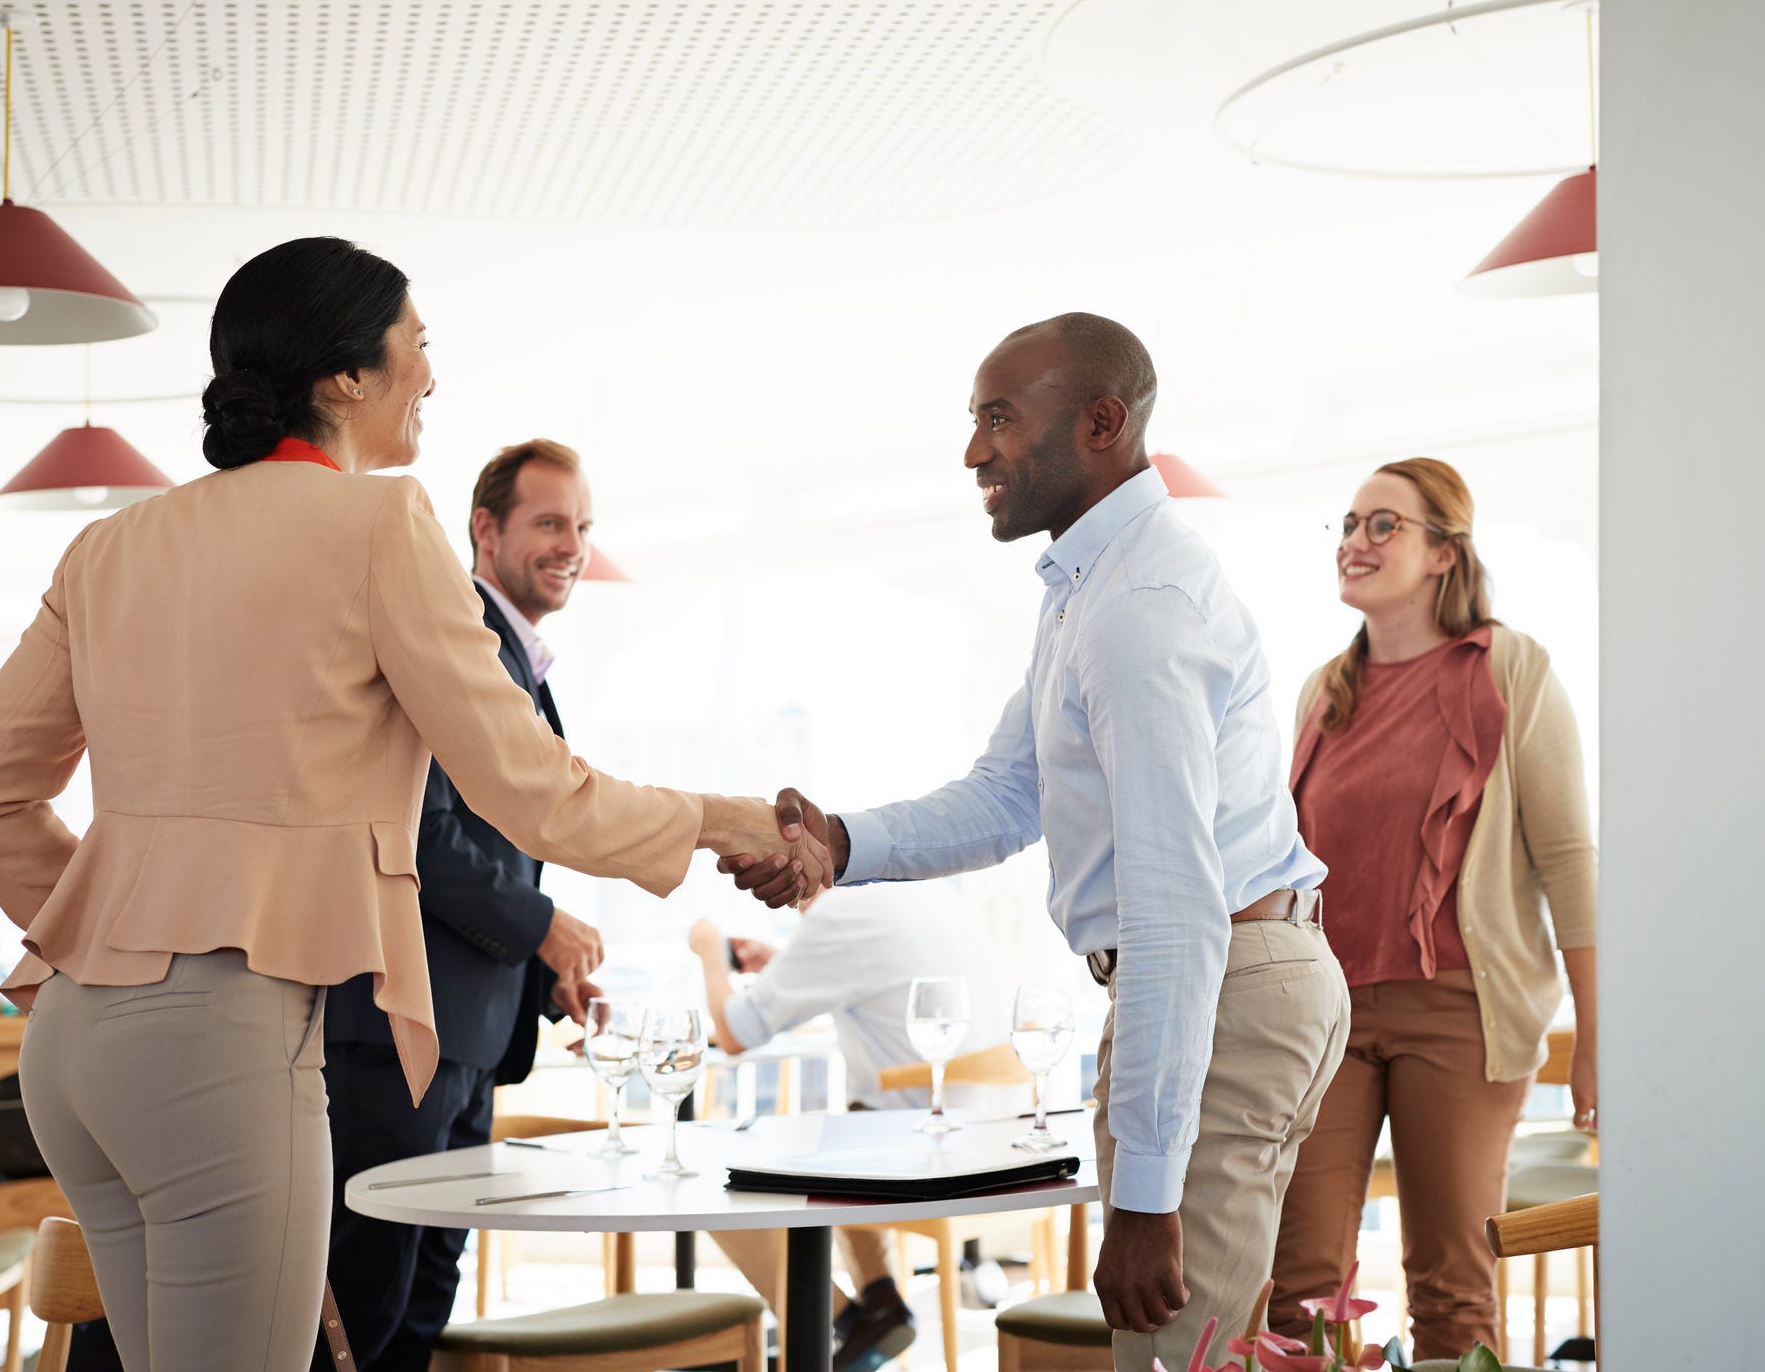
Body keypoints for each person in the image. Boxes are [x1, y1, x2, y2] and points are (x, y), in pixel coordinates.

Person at [0, 236, 829, 1372]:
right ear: (346, 376)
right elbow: (531, 790)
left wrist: (123, 926)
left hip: (69, 1046)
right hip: (222, 1042)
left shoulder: (112, 544)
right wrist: (724, 816)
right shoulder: (376, 523)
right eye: (418, 345)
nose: (431, 375)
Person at [720, 312, 1350, 1371]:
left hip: (1225, 976)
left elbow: (1171, 902)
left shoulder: (1137, 606)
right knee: (1205, 1351)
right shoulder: (1092, 587)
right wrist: (833, 838)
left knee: (1170, 1359)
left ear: (1101, 423)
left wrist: (1147, 1201)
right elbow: (1007, 793)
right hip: (1242, 975)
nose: (974, 451)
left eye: (998, 420)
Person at [1269, 459, 1597, 1359]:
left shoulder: (1510, 669)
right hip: (1325, 1017)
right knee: (1297, 1289)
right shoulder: (1321, 692)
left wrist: (1599, 1030)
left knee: (1451, 1286)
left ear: (1445, 553)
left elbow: (1568, 857)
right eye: (1347, 524)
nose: (1355, 542)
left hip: (1460, 1010)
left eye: (1384, 525)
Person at [320, 438, 609, 1372]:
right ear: (484, 529)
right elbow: (417, 832)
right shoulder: (450, 637)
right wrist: (542, 928)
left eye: (583, 526)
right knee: (362, 1310)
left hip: (469, 1042)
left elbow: (496, 841)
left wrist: (541, 968)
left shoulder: (517, 660)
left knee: (417, 1312)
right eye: (550, 522)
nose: (573, 544)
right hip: (400, 1040)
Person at [686, 886, 1011, 1371]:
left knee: (712, 1175)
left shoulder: (836, 916)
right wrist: (784, 963)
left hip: (919, 1145)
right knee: (845, 1125)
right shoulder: (923, 897)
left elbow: (735, 1032)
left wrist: (709, 947)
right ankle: (879, 1303)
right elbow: (876, 978)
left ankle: (836, 1318)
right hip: (995, 1135)